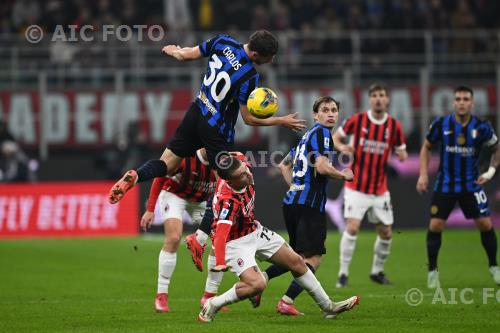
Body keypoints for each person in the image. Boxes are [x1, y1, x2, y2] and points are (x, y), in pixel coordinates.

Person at [108, 30, 306, 204]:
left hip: (196, 112)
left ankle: (136, 175)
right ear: (255, 54)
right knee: (236, 178)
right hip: (216, 129)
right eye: (269, 57)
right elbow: (248, 119)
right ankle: (214, 231)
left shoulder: (223, 42)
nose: (271, 61)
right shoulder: (250, 77)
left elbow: (187, 55)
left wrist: (175, 51)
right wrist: (281, 120)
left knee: (167, 166)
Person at [198, 155, 360, 322]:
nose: (247, 174)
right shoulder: (228, 202)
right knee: (257, 285)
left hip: (254, 230)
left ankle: (328, 307)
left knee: (297, 262)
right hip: (235, 242)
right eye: (241, 175)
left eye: (245, 169)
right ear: (230, 182)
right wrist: (219, 261)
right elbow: (220, 234)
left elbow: (235, 155)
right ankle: (213, 304)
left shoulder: (242, 164)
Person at [257, 96, 353, 316]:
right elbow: (322, 168)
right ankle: (286, 301)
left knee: (295, 257)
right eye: (325, 110)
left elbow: (283, 165)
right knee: (313, 259)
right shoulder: (322, 134)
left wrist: (295, 186)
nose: (331, 114)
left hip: (292, 203)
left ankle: (260, 281)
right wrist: (343, 175)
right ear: (315, 115)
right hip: (309, 205)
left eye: (334, 110)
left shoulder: (306, 137)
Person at [416, 86, 500, 288]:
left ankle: (494, 267)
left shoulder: (482, 127)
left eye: (465, 99)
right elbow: (426, 147)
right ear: (453, 103)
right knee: (435, 225)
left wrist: (490, 172)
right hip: (445, 184)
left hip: (471, 185)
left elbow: (497, 149)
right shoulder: (441, 124)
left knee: (486, 225)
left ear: (472, 103)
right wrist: (423, 174)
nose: (461, 102)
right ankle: (432, 271)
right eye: (458, 99)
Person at [332, 83, 408, 288]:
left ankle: (377, 271)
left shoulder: (394, 126)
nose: (378, 99)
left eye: (382, 95)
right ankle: (343, 274)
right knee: (353, 227)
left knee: (386, 233)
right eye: (374, 95)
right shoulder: (358, 121)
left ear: (387, 99)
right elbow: (336, 138)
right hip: (356, 186)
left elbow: (402, 151)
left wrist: (402, 155)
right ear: (370, 99)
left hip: (380, 189)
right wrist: (343, 147)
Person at [140, 149, 222, 312]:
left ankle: (209, 296)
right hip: (174, 195)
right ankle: (161, 296)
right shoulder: (186, 158)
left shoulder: (222, 161)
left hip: (200, 201)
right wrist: (150, 209)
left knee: (221, 239)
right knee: (174, 238)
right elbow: (160, 177)